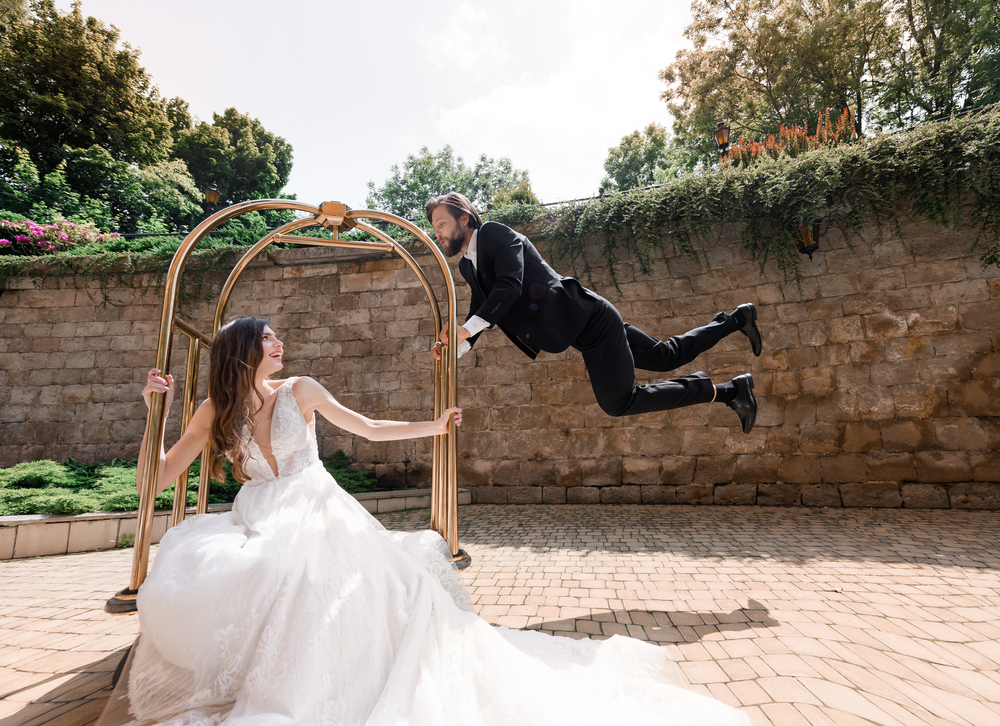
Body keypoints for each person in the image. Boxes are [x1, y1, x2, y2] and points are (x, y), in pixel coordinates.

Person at [119, 316, 751, 726]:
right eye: (268, 337)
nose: (281, 343)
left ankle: (323, 685)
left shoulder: (300, 391)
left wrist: (433, 425)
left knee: (313, 580)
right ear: (241, 349)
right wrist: (157, 413)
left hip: (316, 511)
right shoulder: (213, 410)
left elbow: (367, 427)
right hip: (258, 516)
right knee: (231, 569)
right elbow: (161, 477)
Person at [428, 192, 761, 433]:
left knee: (619, 402)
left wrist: (467, 329)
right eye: (434, 227)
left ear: (465, 219)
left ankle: (730, 391)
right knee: (663, 356)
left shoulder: (494, 234)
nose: (437, 232)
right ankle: (737, 320)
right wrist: (455, 344)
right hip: (589, 326)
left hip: (593, 321)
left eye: (442, 223)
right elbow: (482, 313)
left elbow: (509, 287)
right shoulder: (469, 267)